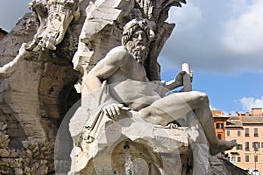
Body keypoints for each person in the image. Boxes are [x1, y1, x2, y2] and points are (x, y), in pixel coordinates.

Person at [83, 18, 236, 155]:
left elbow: (150, 89)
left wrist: (174, 83)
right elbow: (91, 77)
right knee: (200, 98)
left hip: (154, 110)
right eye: (136, 35)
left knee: (198, 101)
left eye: (143, 36)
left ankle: (211, 145)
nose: (141, 39)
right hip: (140, 115)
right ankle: (214, 144)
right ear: (127, 38)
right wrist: (106, 102)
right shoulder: (121, 54)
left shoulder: (139, 67)